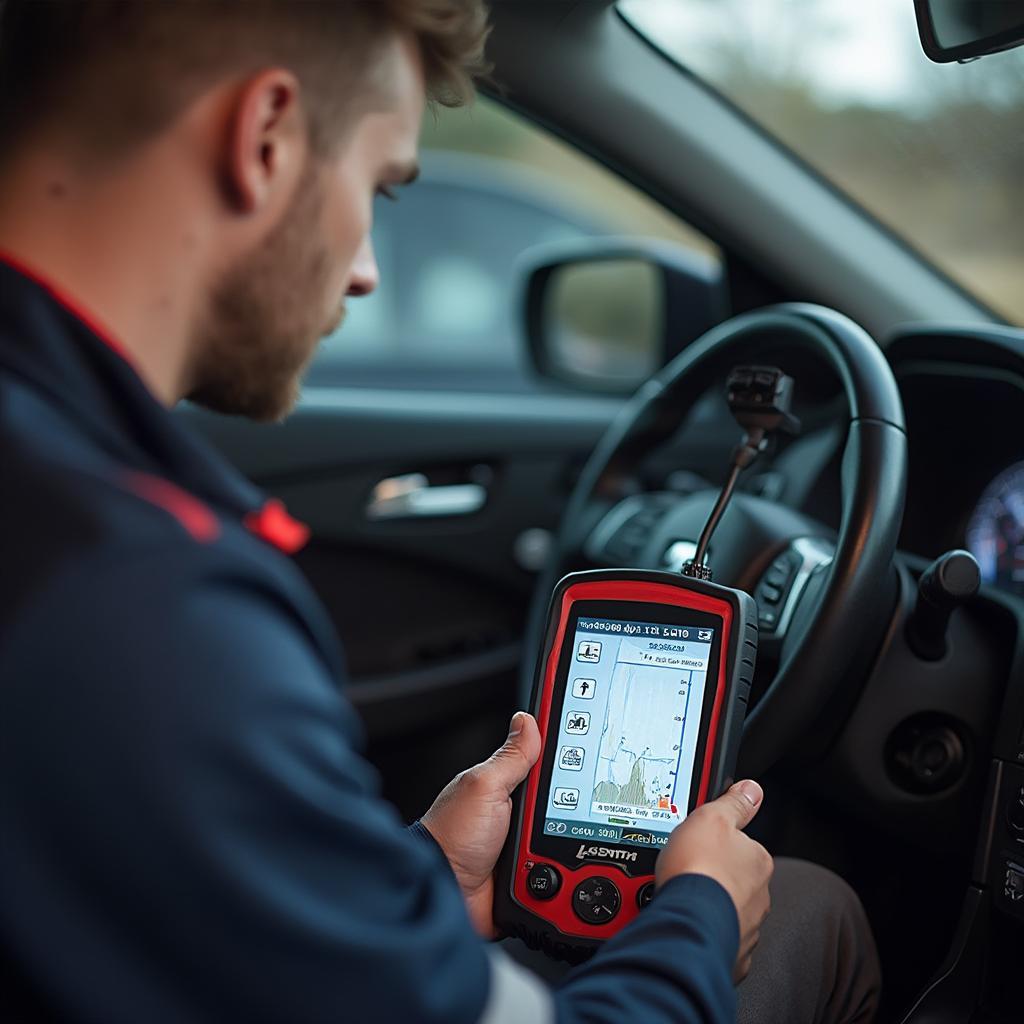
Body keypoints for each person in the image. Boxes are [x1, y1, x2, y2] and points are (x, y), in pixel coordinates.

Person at [0, 2, 880, 1021]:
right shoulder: (149, 602)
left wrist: (412, 886)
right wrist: (693, 917)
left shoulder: (64, 501)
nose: (367, 268)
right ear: (267, 137)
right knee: (814, 907)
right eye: (377, 188)